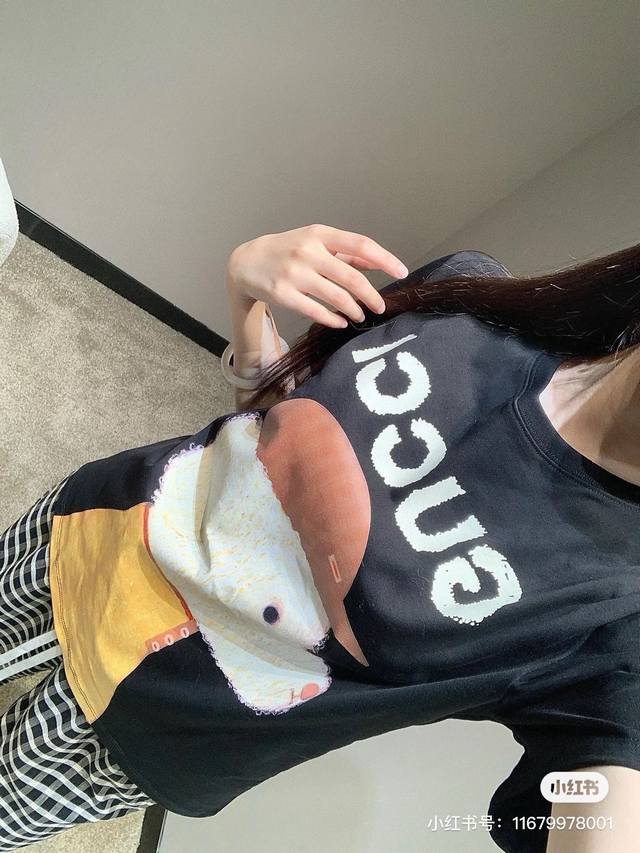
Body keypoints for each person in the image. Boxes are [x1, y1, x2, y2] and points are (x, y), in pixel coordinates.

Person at [1, 219, 639, 853]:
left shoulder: (617, 613)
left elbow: (602, 802)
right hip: (93, 528)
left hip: (134, 724)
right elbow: (283, 423)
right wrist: (246, 298)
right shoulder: (473, 297)